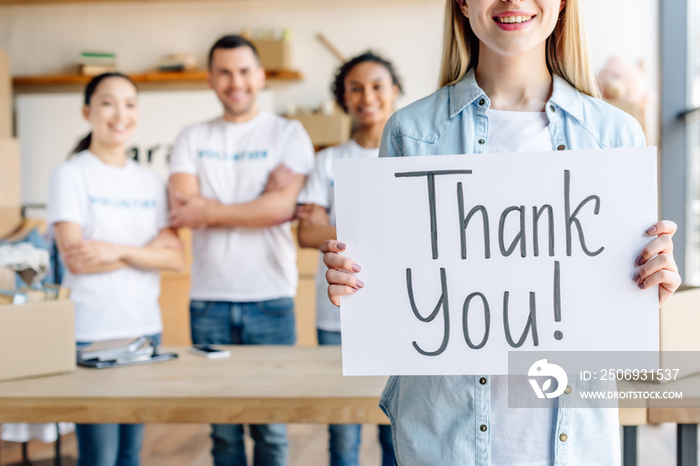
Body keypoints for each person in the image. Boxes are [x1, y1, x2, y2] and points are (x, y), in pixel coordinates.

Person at [319, 0, 683, 464]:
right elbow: (400, 297)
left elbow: (608, 323)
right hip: (443, 438)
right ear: (465, 4)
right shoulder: (410, 134)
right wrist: (355, 280)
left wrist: (646, 286)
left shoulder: (614, 136)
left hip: (575, 443)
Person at [168, 35, 314, 466]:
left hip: (270, 299)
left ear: (261, 75)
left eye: (245, 71)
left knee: (271, 429)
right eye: (225, 72)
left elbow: (283, 210)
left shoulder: (288, 133)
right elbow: (183, 211)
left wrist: (209, 209)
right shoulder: (191, 136)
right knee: (223, 430)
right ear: (211, 79)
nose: (236, 82)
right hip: (208, 301)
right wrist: (257, 206)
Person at [47, 72, 184, 466]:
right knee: (99, 456)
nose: (120, 114)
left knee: (131, 453)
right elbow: (76, 258)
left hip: (144, 329)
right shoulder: (70, 174)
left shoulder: (150, 182)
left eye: (129, 104)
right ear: (87, 111)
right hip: (92, 333)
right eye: (108, 102)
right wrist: (144, 252)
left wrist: (113, 250)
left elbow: (175, 258)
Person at [296, 52, 401, 466]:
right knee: (342, 433)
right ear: (342, 97)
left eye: (377, 85)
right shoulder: (327, 160)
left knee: (396, 429)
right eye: (354, 88)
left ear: (394, 92)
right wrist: (384, 237)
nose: (367, 96)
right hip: (335, 315)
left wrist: (338, 231)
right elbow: (307, 233)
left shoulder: (412, 155)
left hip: (400, 314)